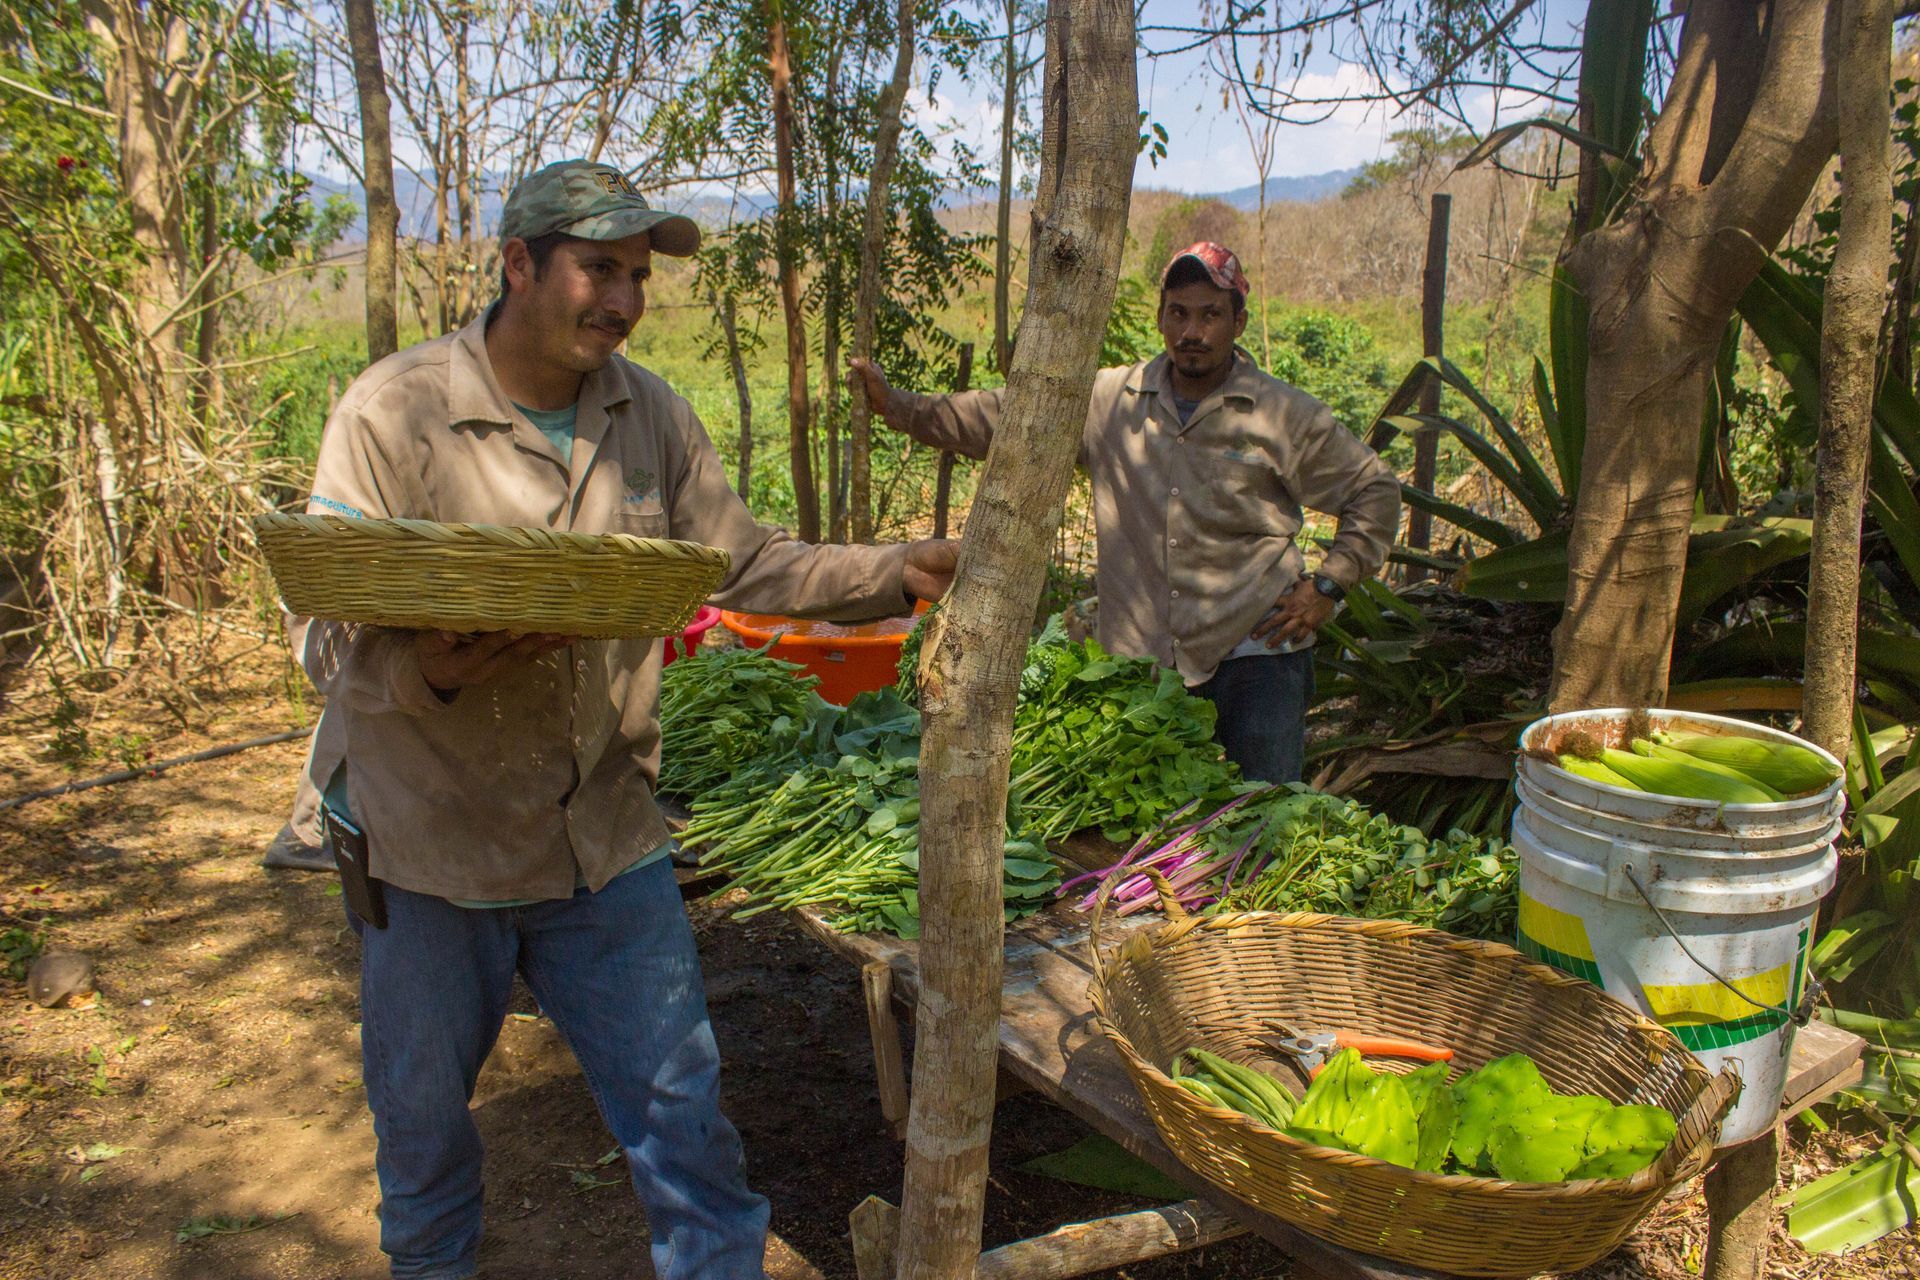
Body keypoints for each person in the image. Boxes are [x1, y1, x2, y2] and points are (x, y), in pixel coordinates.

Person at [288, 158, 957, 1280]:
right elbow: (323, 621)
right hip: (428, 843)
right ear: (519, 264)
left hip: (602, 834)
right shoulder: (396, 410)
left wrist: (899, 569)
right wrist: (434, 673)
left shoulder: (645, 411)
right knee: (422, 1131)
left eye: (638, 275)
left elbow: (746, 562)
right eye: (599, 268)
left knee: (685, 1119)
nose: (625, 300)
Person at [851, 241, 1399, 783]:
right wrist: (899, 407)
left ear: (1239, 320)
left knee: (1258, 824)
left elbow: (1373, 490)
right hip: (1144, 664)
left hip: (1256, 653)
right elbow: (1006, 417)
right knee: (1150, 840)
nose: (1193, 331)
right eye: (1179, 313)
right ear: (1161, 318)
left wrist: (1329, 587)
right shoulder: (1112, 400)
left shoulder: (1283, 414)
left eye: (1211, 315)